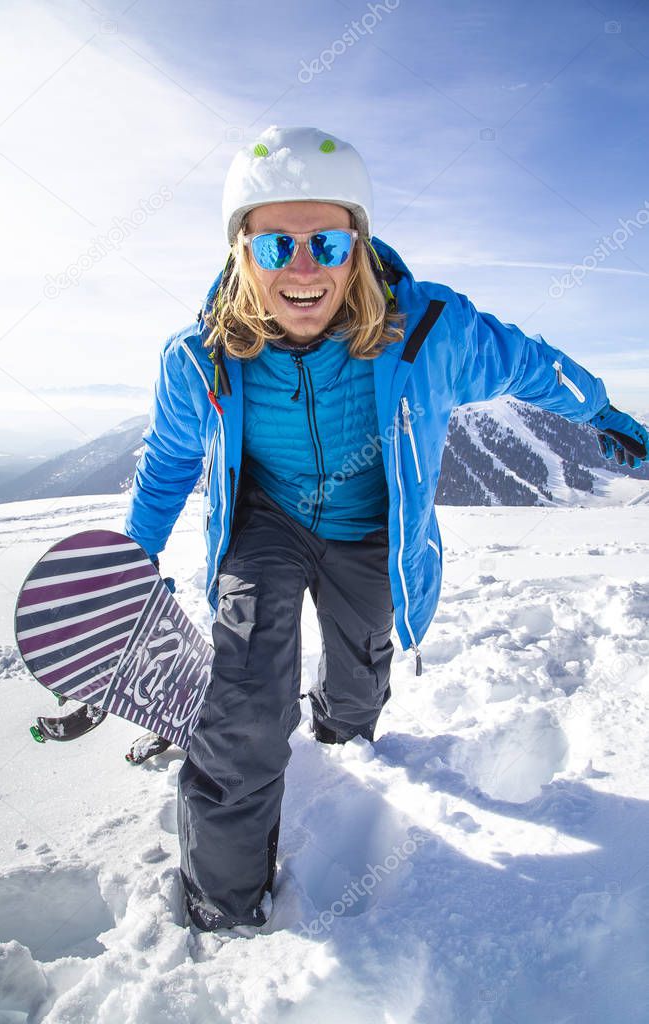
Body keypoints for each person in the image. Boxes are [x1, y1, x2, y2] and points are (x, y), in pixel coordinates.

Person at [124, 125, 649, 933]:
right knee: (242, 702)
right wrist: (130, 561)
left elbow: (526, 362)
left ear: (358, 246)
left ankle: (343, 738)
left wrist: (598, 407)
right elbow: (166, 463)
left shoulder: (430, 330)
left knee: (360, 664)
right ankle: (223, 908)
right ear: (240, 253)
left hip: (371, 529)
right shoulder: (199, 358)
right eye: (275, 246)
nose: (303, 269)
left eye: (326, 242)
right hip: (264, 525)